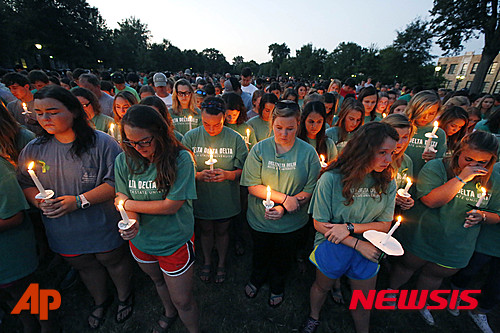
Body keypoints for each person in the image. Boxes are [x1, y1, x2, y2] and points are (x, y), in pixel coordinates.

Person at [17, 86, 133, 329]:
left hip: (100, 221)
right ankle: (100, 300)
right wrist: (37, 201)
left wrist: (79, 200)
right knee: (83, 264)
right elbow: (26, 183)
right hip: (63, 227)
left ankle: (124, 296)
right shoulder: (34, 148)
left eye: (52, 112)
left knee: (111, 259)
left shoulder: (103, 144)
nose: (45, 119)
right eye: (39, 113)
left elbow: (116, 183)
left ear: (74, 112)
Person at [389, 131, 500, 326]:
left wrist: (483, 216)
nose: (474, 166)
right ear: (458, 152)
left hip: (456, 243)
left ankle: (420, 303)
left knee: (434, 275)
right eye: (469, 159)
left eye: (483, 162)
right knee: (406, 266)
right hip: (423, 234)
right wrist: (462, 179)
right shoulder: (436, 167)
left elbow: (496, 214)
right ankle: (390, 293)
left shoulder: (495, 178)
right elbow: (431, 201)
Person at [301, 122, 399, 333]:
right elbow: (320, 224)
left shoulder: (387, 183)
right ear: (364, 149)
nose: (389, 160)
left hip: (370, 246)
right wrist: (355, 243)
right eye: (382, 152)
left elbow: (384, 224)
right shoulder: (331, 179)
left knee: (363, 300)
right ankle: (314, 315)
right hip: (334, 243)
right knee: (322, 286)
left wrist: (350, 227)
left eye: (392, 152)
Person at [114, 105, 199, 333]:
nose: (137, 147)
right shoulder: (124, 160)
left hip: (173, 241)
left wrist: (129, 205)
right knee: (158, 281)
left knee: (183, 299)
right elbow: (122, 195)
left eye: (144, 141)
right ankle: (169, 312)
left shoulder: (181, 158)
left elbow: (171, 206)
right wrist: (133, 222)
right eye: (130, 142)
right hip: (142, 241)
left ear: (160, 132)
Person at [241, 100, 321, 308]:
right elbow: (252, 185)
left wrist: (284, 208)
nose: (284, 134)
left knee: (283, 256)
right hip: (261, 218)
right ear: (272, 124)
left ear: (298, 125)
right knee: (260, 251)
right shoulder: (259, 150)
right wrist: (284, 198)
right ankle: (257, 277)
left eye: (290, 129)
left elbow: (310, 189)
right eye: (278, 128)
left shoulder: (308, 153)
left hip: (292, 222)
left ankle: (277, 285)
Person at [182, 97, 248, 284]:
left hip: (224, 196)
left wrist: (229, 175)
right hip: (202, 195)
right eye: (206, 124)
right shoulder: (191, 137)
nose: (211, 129)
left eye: (216, 125)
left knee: (222, 229)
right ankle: (208, 261)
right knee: (205, 229)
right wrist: (197, 175)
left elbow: (246, 170)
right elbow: (183, 168)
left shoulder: (235, 139)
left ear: (224, 119)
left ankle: (221, 262)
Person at [449, 163, 500, 333]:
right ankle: (454, 296)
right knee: (470, 269)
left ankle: (481, 311)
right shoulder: (496, 171)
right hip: (488, 238)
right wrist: (484, 215)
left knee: (496, 284)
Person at [404, 90, 446, 180]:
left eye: (431, 114)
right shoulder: (402, 127)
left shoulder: (439, 134)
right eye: (423, 112)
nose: (426, 118)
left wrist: (435, 159)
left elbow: (442, 161)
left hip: (423, 179)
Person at [381, 114, 415, 211]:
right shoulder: (375, 159)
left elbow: (406, 189)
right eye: (396, 136)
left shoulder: (406, 161)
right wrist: (390, 198)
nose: (400, 142)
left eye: (405, 137)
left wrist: (406, 201)